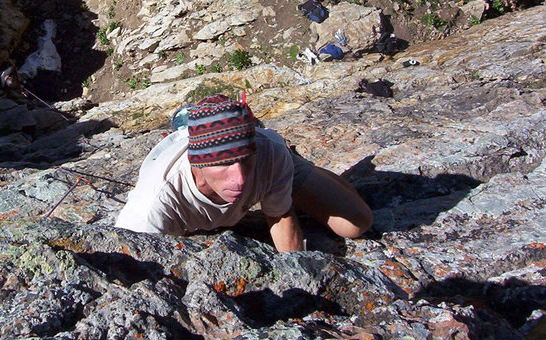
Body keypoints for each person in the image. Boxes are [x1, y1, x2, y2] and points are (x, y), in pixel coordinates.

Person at [115, 94, 372, 251]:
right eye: (224, 164)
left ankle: (292, 162)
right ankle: (185, 125)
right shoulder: (152, 206)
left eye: (245, 161)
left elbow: (280, 216)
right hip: (179, 154)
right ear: (198, 163)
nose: (240, 179)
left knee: (355, 224)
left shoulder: (269, 153)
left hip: (271, 152)